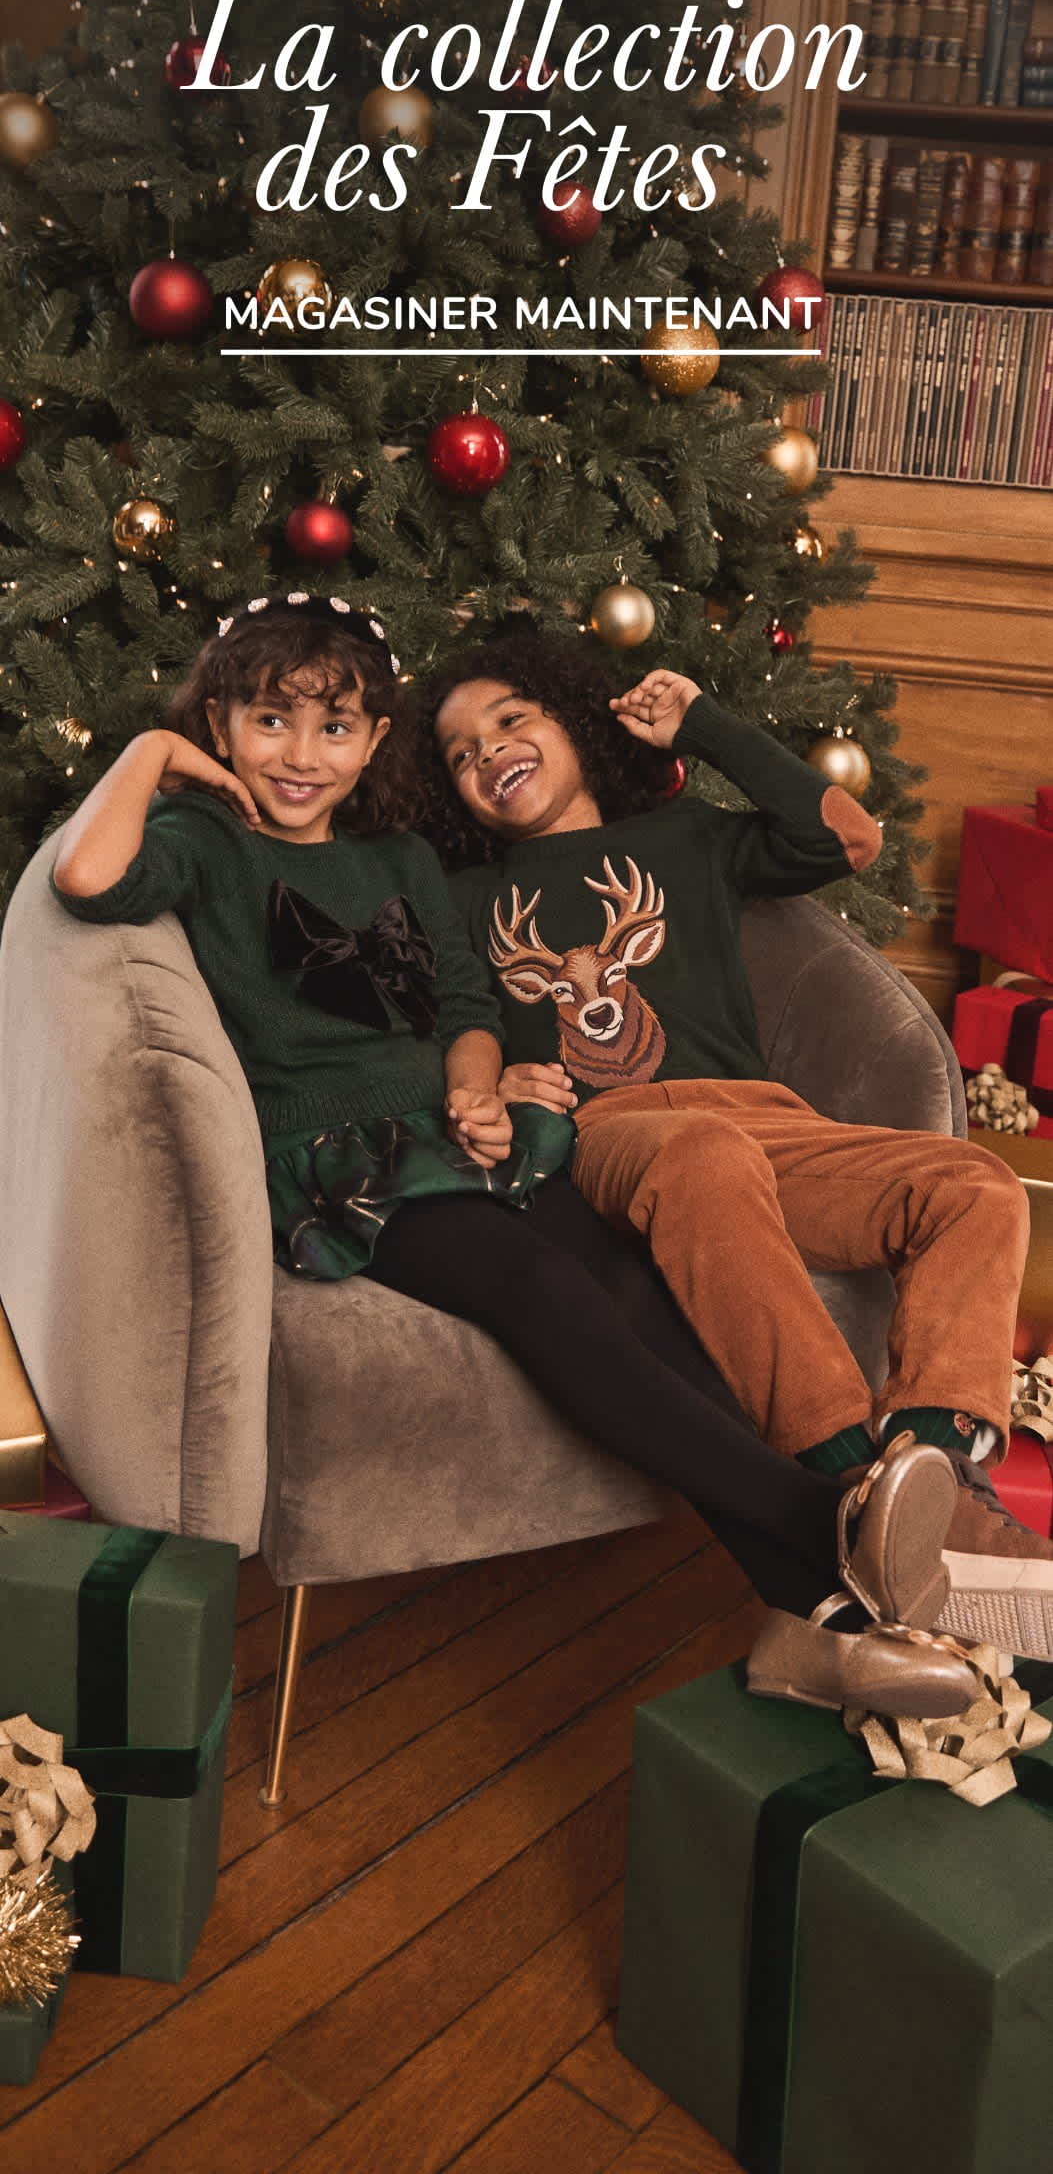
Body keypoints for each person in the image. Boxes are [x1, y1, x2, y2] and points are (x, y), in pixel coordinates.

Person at [48, 590, 978, 1720]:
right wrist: (155, 749)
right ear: (224, 724)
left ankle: (809, 1624)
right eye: (268, 722)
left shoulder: (401, 857)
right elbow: (84, 879)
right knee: (540, 1288)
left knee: (636, 1283)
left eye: (334, 727)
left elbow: (464, 1001)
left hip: (462, 1136)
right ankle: (827, 1531)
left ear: (375, 743)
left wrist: (477, 1090)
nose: (299, 756)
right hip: (346, 1164)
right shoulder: (207, 845)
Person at [422, 623, 1053, 1661]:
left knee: (976, 1182)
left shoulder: (687, 837)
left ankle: (927, 1482)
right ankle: (852, 1487)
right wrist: (491, 1079)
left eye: (509, 719)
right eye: (458, 753)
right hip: (616, 1132)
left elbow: (849, 839)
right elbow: (433, 1015)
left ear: (573, 724)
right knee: (700, 1159)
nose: (487, 751)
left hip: (767, 1116)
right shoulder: (466, 898)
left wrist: (704, 723)